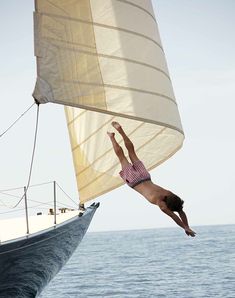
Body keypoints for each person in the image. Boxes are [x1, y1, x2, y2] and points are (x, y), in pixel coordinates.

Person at [107, 121, 196, 237]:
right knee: (122, 157)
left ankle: (121, 131)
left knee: (132, 152)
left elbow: (180, 211)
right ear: (169, 206)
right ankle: (112, 137)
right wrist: (185, 227)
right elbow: (176, 215)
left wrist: (187, 226)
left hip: (145, 176)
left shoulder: (168, 194)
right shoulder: (161, 204)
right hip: (134, 181)